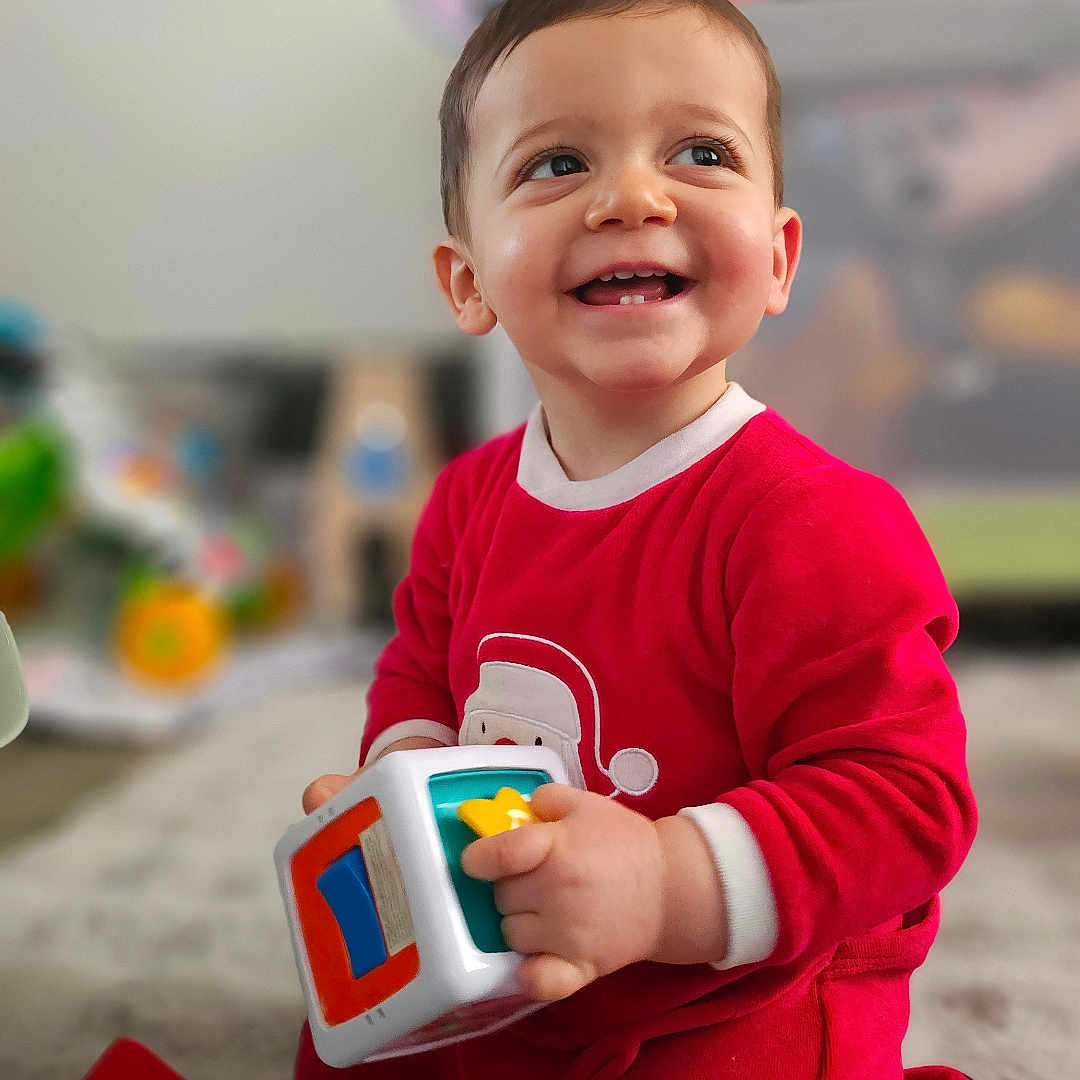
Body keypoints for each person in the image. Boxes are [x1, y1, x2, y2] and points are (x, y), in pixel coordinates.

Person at [296, 2, 977, 1076]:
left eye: (701, 152)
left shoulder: (813, 522)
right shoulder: (471, 499)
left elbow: (907, 803)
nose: (632, 197)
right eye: (557, 161)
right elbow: (421, 671)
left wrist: (664, 884)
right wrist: (406, 776)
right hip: (514, 949)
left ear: (781, 257)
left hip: (726, 988)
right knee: (348, 1047)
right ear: (469, 281)